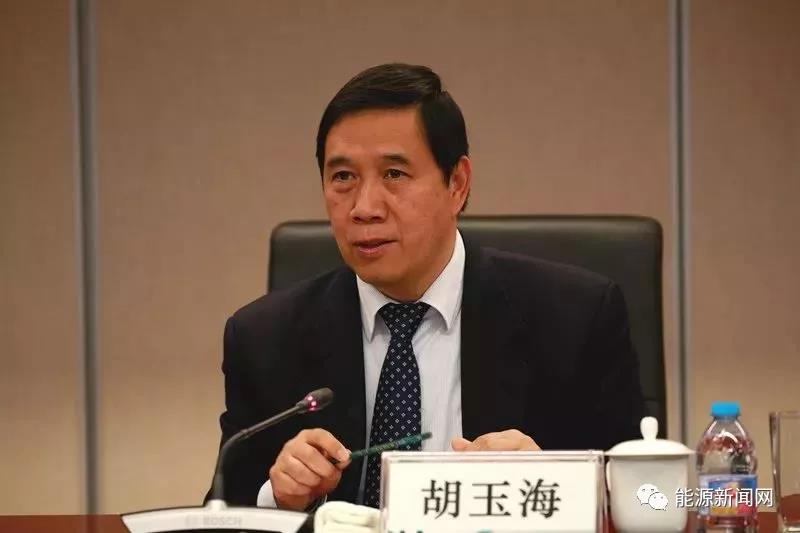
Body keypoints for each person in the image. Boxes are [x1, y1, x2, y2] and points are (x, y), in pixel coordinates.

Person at [208, 63, 645, 511]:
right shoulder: (264, 339)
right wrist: (278, 496)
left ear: (457, 184)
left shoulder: (576, 319)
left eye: (394, 174)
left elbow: (650, 501)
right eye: (343, 177)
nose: (364, 207)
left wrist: (559, 482)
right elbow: (221, 511)